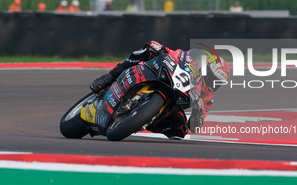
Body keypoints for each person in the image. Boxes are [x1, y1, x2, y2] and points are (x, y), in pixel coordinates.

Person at [90, 41, 229, 139]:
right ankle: (108, 78)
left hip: (174, 102)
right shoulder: (195, 61)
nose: (214, 83)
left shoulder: (208, 97)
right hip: (167, 74)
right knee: (150, 49)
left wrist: (197, 114)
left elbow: (195, 127)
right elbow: (179, 55)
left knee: (180, 131)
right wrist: (163, 50)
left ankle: (140, 121)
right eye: (212, 77)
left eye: (218, 83)